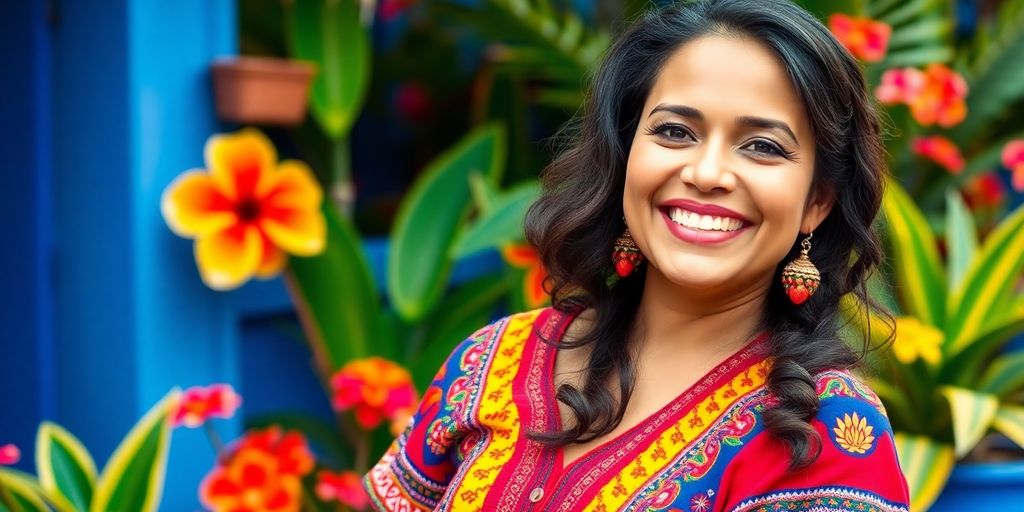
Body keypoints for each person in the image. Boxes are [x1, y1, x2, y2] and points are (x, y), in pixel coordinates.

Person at [363, 0, 911, 510]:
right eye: (675, 131)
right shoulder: (489, 361)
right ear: (626, 156)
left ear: (817, 201)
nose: (705, 173)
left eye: (762, 147)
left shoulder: (824, 433)